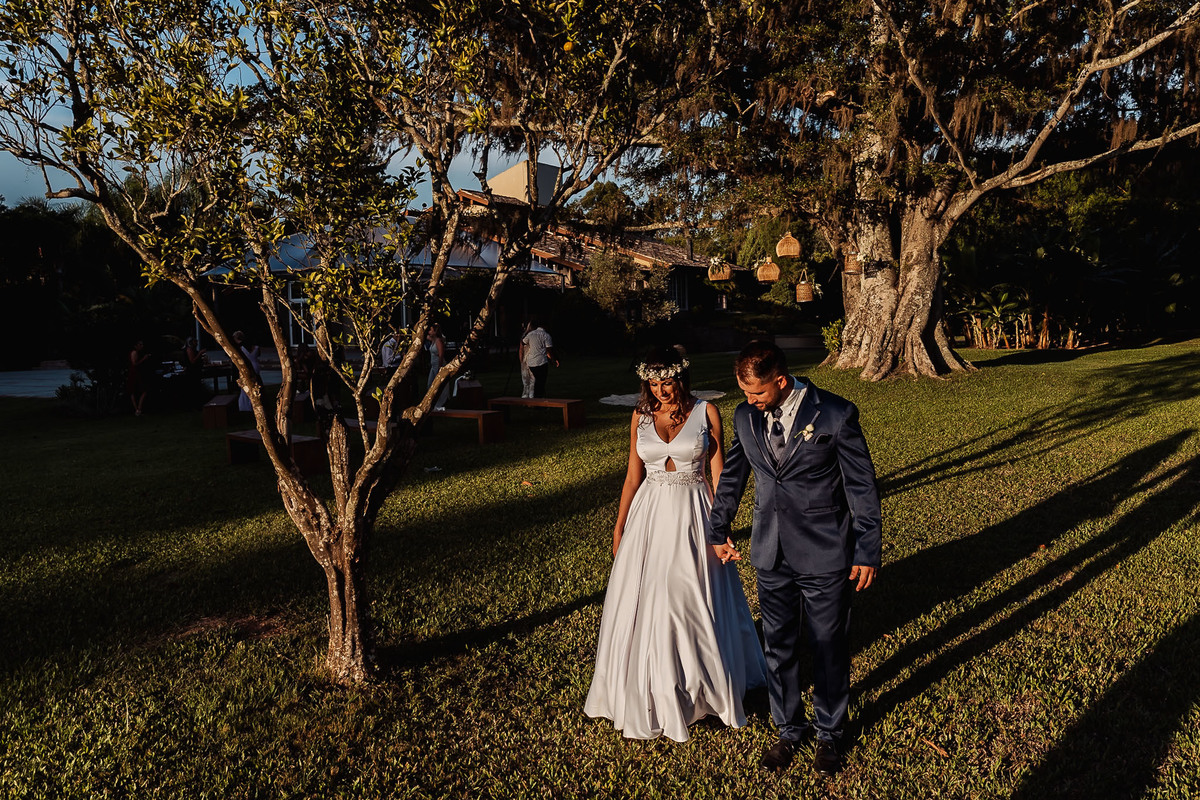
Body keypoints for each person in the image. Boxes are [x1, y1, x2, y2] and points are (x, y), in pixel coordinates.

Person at [708, 341, 882, 776]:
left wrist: (866, 548)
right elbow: (734, 474)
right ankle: (789, 729)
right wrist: (717, 527)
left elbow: (861, 488)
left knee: (827, 647)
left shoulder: (836, 414)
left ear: (781, 381)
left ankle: (830, 733)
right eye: (745, 393)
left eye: (758, 393)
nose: (750, 402)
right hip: (770, 552)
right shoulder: (745, 417)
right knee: (778, 647)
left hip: (825, 551)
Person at [585, 346, 766, 742]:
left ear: (681, 378)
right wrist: (619, 527)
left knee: (689, 599)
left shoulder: (707, 412)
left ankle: (702, 687)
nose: (660, 391)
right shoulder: (640, 416)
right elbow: (632, 478)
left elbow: (717, 477)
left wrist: (722, 529)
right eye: (652, 383)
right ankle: (651, 689)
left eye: (666, 382)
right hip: (648, 519)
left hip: (694, 514)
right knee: (647, 600)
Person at [521, 318, 557, 397]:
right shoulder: (546, 335)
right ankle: (539, 400)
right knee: (541, 381)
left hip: (531, 363)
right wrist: (553, 360)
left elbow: (523, 342)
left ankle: (538, 398)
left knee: (537, 381)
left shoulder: (531, 334)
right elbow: (548, 350)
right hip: (541, 362)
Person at [233, 330, 261, 413]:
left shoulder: (241, 348)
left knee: (245, 386)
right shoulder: (256, 348)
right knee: (255, 385)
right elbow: (258, 355)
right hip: (255, 366)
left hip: (246, 367)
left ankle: (245, 406)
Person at [425, 323, 450, 410]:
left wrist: (440, 367)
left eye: (431, 330)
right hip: (433, 366)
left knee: (438, 384)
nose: (429, 331)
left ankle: (441, 402)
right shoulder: (433, 340)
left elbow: (441, 355)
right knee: (430, 384)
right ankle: (431, 402)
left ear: (435, 332)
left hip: (438, 365)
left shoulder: (438, 341)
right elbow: (426, 336)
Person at [127, 339, 150, 416]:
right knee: (139, 390)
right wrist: (143, 359)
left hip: (136, 373)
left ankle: (138, 409)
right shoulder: (134, 352)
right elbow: (134, 363)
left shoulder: (137, 352)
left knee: (137, 391)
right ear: (136, 346)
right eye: (140, 345)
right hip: (134, 373)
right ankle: (138, 409)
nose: (142, 346)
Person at [517, 320, 536, 399]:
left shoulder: (524, 336)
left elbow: (521, 349)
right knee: (532, 380)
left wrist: (521, 360)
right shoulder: (534, 336)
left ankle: (526, 396)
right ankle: (531, 396)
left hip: (525, 360)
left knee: (526, 380)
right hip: (532, 359)